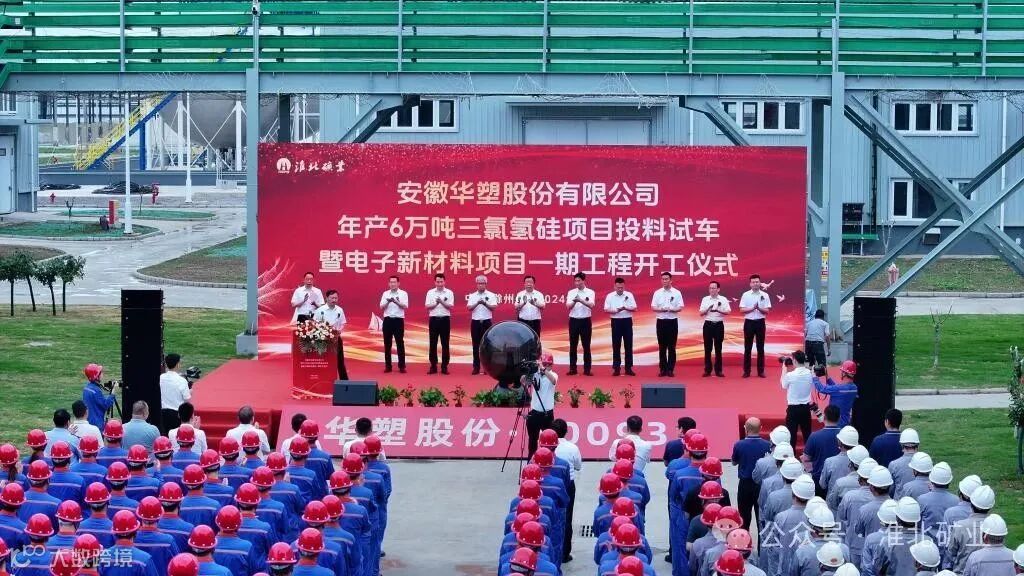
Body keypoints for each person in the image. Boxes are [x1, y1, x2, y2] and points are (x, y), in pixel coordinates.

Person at [550, 419, 580, 564]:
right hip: (567, 485)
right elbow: (578, 466)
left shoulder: (543, 447)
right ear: (566, 431)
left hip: (548, 483)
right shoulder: (572, 448)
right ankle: (564, 554)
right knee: (567, 517)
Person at [731, 418, 770, 531]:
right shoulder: (767, 445)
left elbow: (734, 462)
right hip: (761, 485)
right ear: (760, 428)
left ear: (746, 429)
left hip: (745, 485)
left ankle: (744, 541)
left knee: (743, 519)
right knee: (761, 519)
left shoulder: (739, 444)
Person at [523, 352, 557, 460]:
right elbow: (523, 381)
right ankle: (530, 462)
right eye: (544, 364)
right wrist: (529, 371)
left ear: (551, 365)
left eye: (548, 364)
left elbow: (553, 380)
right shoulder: (535, 374)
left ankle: (549, 461)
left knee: (549, 442)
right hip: (534, 413)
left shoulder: (553, 375)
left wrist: (543, 369)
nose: (546, 366)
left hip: (547, 415)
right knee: (532, 442)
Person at [602, 277, 637, 377]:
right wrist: (616, 310)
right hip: (616, 321)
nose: (620, 289)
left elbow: (635, 308)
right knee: (616, 345)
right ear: (614, 286)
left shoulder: (629, 295)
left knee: (628, 345)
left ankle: (628, 368)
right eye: (618, 287)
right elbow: (606, 309)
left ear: (624, 286)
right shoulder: (610, 296)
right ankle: (616, 368)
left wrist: (626, 308)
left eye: (622, 287)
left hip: (627, 321)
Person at [651, 272, 683, 377]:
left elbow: (680, 307)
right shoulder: (657, 293)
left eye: (666, 279)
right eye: (663, 279)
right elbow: (653, 307)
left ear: (671, 280)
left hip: (672, 321)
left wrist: (672, 309)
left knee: (672, 347)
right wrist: (661, 309)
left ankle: (670, 369)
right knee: (662, 347)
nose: (664, 281)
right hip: (661, 321)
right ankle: (663, 369)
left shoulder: (677, 293)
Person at [739, 274, 771, 378]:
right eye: (753, 282)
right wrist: (752, 308)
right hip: (749, 322)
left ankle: (761, 371)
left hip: (760, 322)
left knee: (760, 347)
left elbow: (767, 311)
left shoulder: (765, 295)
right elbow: (741, 310)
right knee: (747, 347)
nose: (755, 283)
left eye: (757, 282)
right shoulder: (745, 295)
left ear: (760, 283)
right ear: (750, 284)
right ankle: (746, 371)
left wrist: (759, 308)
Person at [780, 350, 813, 447]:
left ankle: (791, 455)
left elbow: (783, 385)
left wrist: (784, 368)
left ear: (794, 360)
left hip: (793, 409)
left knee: (791, 436)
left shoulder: (790, 375)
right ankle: (809, 454)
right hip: (806, 408)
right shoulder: (810, 373)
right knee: (807, 434)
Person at [564, 272, 595, 376]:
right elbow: (568, 306)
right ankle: (573, 369)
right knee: (573, 345)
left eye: (579, 281)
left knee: (586, 346)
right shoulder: (571, 292)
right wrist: (575, 301)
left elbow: (591, 305)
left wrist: (581, 300)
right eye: (575, 281)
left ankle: (587, 369)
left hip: (585, 321)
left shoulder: (590, 292)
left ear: (583, 281)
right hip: (574, 321)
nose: (577, 283)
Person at [313, 290, 349, 380]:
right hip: (323, 339)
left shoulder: (340, 310)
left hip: (336, 338)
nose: (334, 300)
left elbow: (343, 323)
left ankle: (344, 381)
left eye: (336, 298)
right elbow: (314, 324)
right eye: (332, 298)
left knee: (340, 361)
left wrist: (339, 330)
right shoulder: (320, 310)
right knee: (324, 361)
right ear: (327, 298)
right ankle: (322, 379)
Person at [467, 275, 498, 375]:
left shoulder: (491, 295)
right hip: (475, 322)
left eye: (483, 283)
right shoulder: (472, 296)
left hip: (486, 322)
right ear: (476, 284)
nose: (481, 285)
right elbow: (469, 308)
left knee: (487, 346)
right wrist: (477, 303)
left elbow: (493, 307)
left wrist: (485, 303)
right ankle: (476, 367)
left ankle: (486, 368)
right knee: (475, 345)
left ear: (486, 284)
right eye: (479, 283)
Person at [699, 280, 732, 377]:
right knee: (707, 348)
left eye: (714, 288)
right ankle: (707, 370)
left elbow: (728, 312)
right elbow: (701, 313)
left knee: (718, 348)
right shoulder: (705, 299)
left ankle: (718, 370)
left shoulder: (723, 299)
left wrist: (718, 310)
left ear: (718, 289)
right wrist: (707, 309)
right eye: (710, 288)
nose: (712, 290)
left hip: (719, 325)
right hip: (708, 325)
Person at [813, 360, 859, 427]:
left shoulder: (840, 389)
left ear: (844, 373)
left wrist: (814, 377)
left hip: (835, 423)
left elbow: (821, 388)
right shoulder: (854, 388)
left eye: (842, 371)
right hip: (846, 422)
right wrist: (827, 377)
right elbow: (837, 389)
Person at [424, 273, 454, 375]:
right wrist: (436, 303)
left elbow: (450, 306)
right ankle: (433, 366)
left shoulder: (449, 292)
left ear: (444, 282)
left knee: (445, 343)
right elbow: (427, 306)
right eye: (438, 282)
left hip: (445, 320)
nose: (439, 284)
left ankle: (444, 366)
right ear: (435, 282)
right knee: (433, 343)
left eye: (441, 282)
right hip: (433, 319)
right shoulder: (430, 292)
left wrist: (441, 302)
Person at [379, 275, 408, 374]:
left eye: (394, 282)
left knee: (400, 343)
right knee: (387, 344)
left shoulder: (403, 293)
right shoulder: (385, 294)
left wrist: (396, 301)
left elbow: (405, 306)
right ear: (389, 284)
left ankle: (402, 366)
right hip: (387, 320)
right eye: (391, 282)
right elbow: (381, 307)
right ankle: (388, 366)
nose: (392, 284)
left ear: (398, 283)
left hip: (398, 321)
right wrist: (388, 302)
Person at [159, 354, 192, 435]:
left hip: (162, 413)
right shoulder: (181, 381)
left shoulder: (161, 378)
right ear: (177, 364)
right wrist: (190, 391)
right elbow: (187, 399)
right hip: (176, 414)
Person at [81, 364, 116, 429]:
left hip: (88, 421)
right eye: (100, 373)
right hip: (96, 424)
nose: (102, 374)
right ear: (96, 376)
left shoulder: (86, 388)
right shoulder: (96, 391)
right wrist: (112, 394)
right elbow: (105, 405)